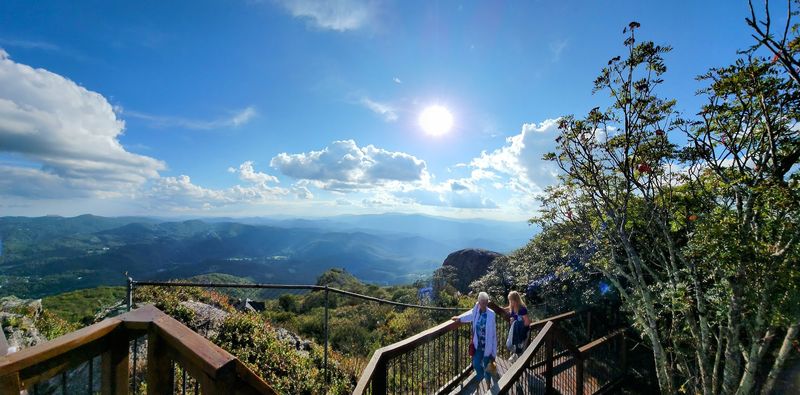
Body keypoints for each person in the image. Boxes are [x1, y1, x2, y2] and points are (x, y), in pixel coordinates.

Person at [452, 292, 497, 387]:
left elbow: (493, 335)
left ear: (487, 302)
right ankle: (481, 377)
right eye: (482, 302)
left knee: (487, 366)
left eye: (485, 302)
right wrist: (459, 318)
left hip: (487, 346)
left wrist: (493, 353)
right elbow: (470, 316)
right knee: (476, 363)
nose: (484, 304)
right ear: (479, 302)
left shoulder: (491, 314)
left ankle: (488, 385)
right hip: (478, 345)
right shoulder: (476, 310)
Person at [505, 291, 531, 360]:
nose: (510, 301)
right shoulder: (512, 308)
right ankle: (516, 355)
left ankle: (521, 367)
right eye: (509, 300)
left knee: (522, 351)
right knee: (511, 345)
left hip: (523, 332)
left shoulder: (522, 309)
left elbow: (527, 322)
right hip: (515, 332)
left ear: (515, 300)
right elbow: (509, 311)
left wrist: (517, 323)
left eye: (511, 300)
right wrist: (513, 320)